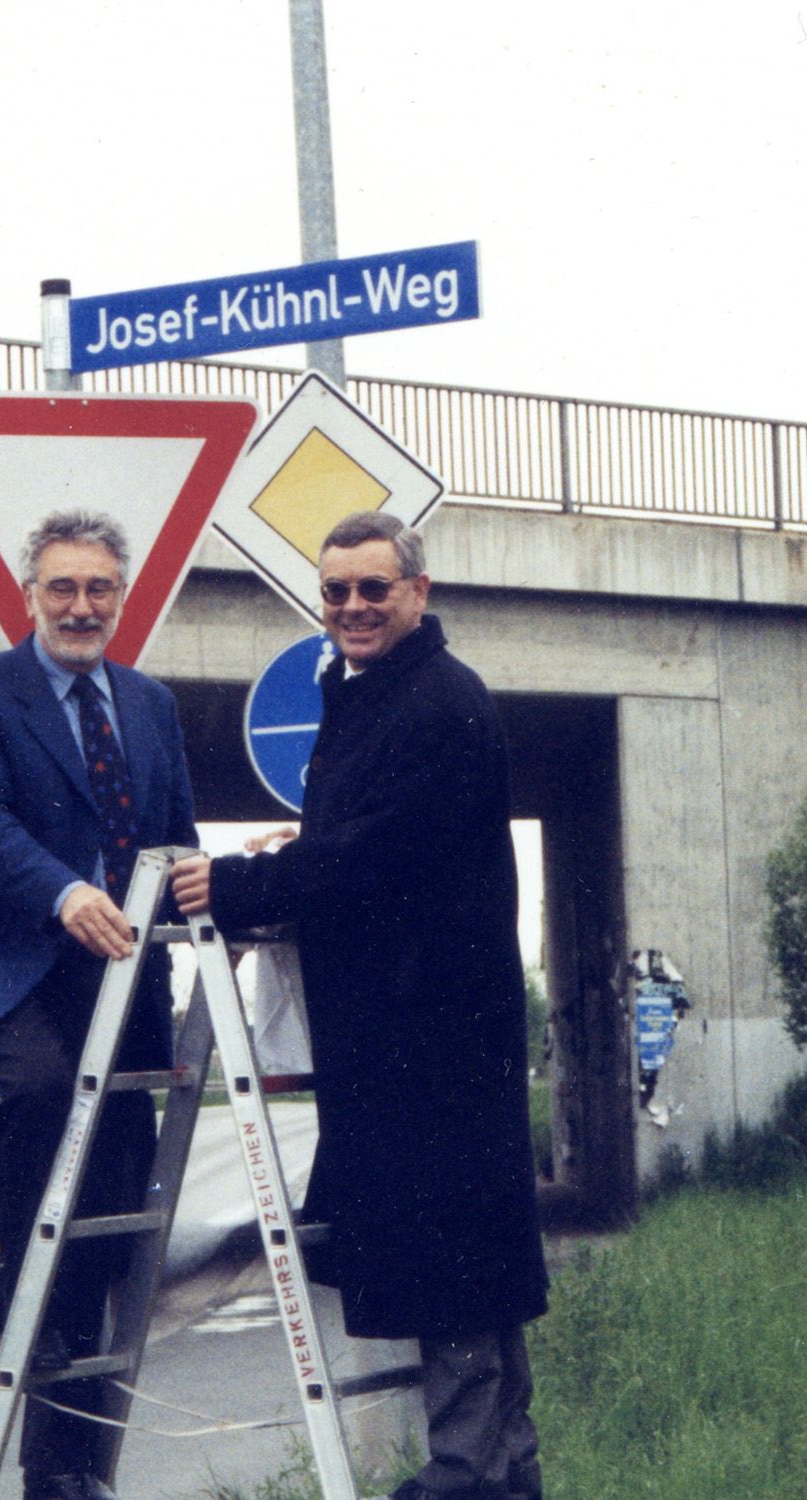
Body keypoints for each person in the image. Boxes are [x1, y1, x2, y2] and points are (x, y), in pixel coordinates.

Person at [172, 511, 547, 1500]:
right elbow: (366, 838)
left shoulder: (436, 702)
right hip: (412, 1035)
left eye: (372, 589)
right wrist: (292, 850)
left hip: (434, 1042)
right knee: (463, 1260)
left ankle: (467, 1477)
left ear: (418, 592)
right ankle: (500, 1474)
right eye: (335, 591)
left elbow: (381, 853)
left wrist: (246, 886)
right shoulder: (381, 695)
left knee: (454, 1260)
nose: (351, 607)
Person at [0, 510, 197, 1500]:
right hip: (19, 971)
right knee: (49, 1122)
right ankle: (41, 1409)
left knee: (118, 1209)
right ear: (28, 594)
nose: (81, 606)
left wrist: (225, 886)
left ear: (123, 597)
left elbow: (172, 837)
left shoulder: (152, 704)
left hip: (125, 982)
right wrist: (64, 890)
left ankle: (76, 1468)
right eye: (62, 588)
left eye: (100, 589)